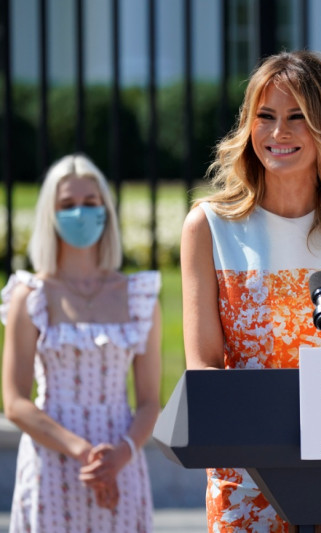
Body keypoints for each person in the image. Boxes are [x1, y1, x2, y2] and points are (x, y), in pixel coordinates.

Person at [180, 50, 321, 531]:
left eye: (297, 117)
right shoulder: (210, 227)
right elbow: (203, 367)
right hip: (248, 477)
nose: (278, 132)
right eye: (265, 117)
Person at [1, 153, 162, 532]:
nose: (80, 213)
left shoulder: (138, 295)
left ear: (105, 210)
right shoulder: (32, 295)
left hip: (121, 460)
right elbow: (15, 402)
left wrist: (121, 453)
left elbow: (151, 401)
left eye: (90, 203)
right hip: (50, 463)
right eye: (67, 205)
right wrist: (82, 451)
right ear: (50, 215)